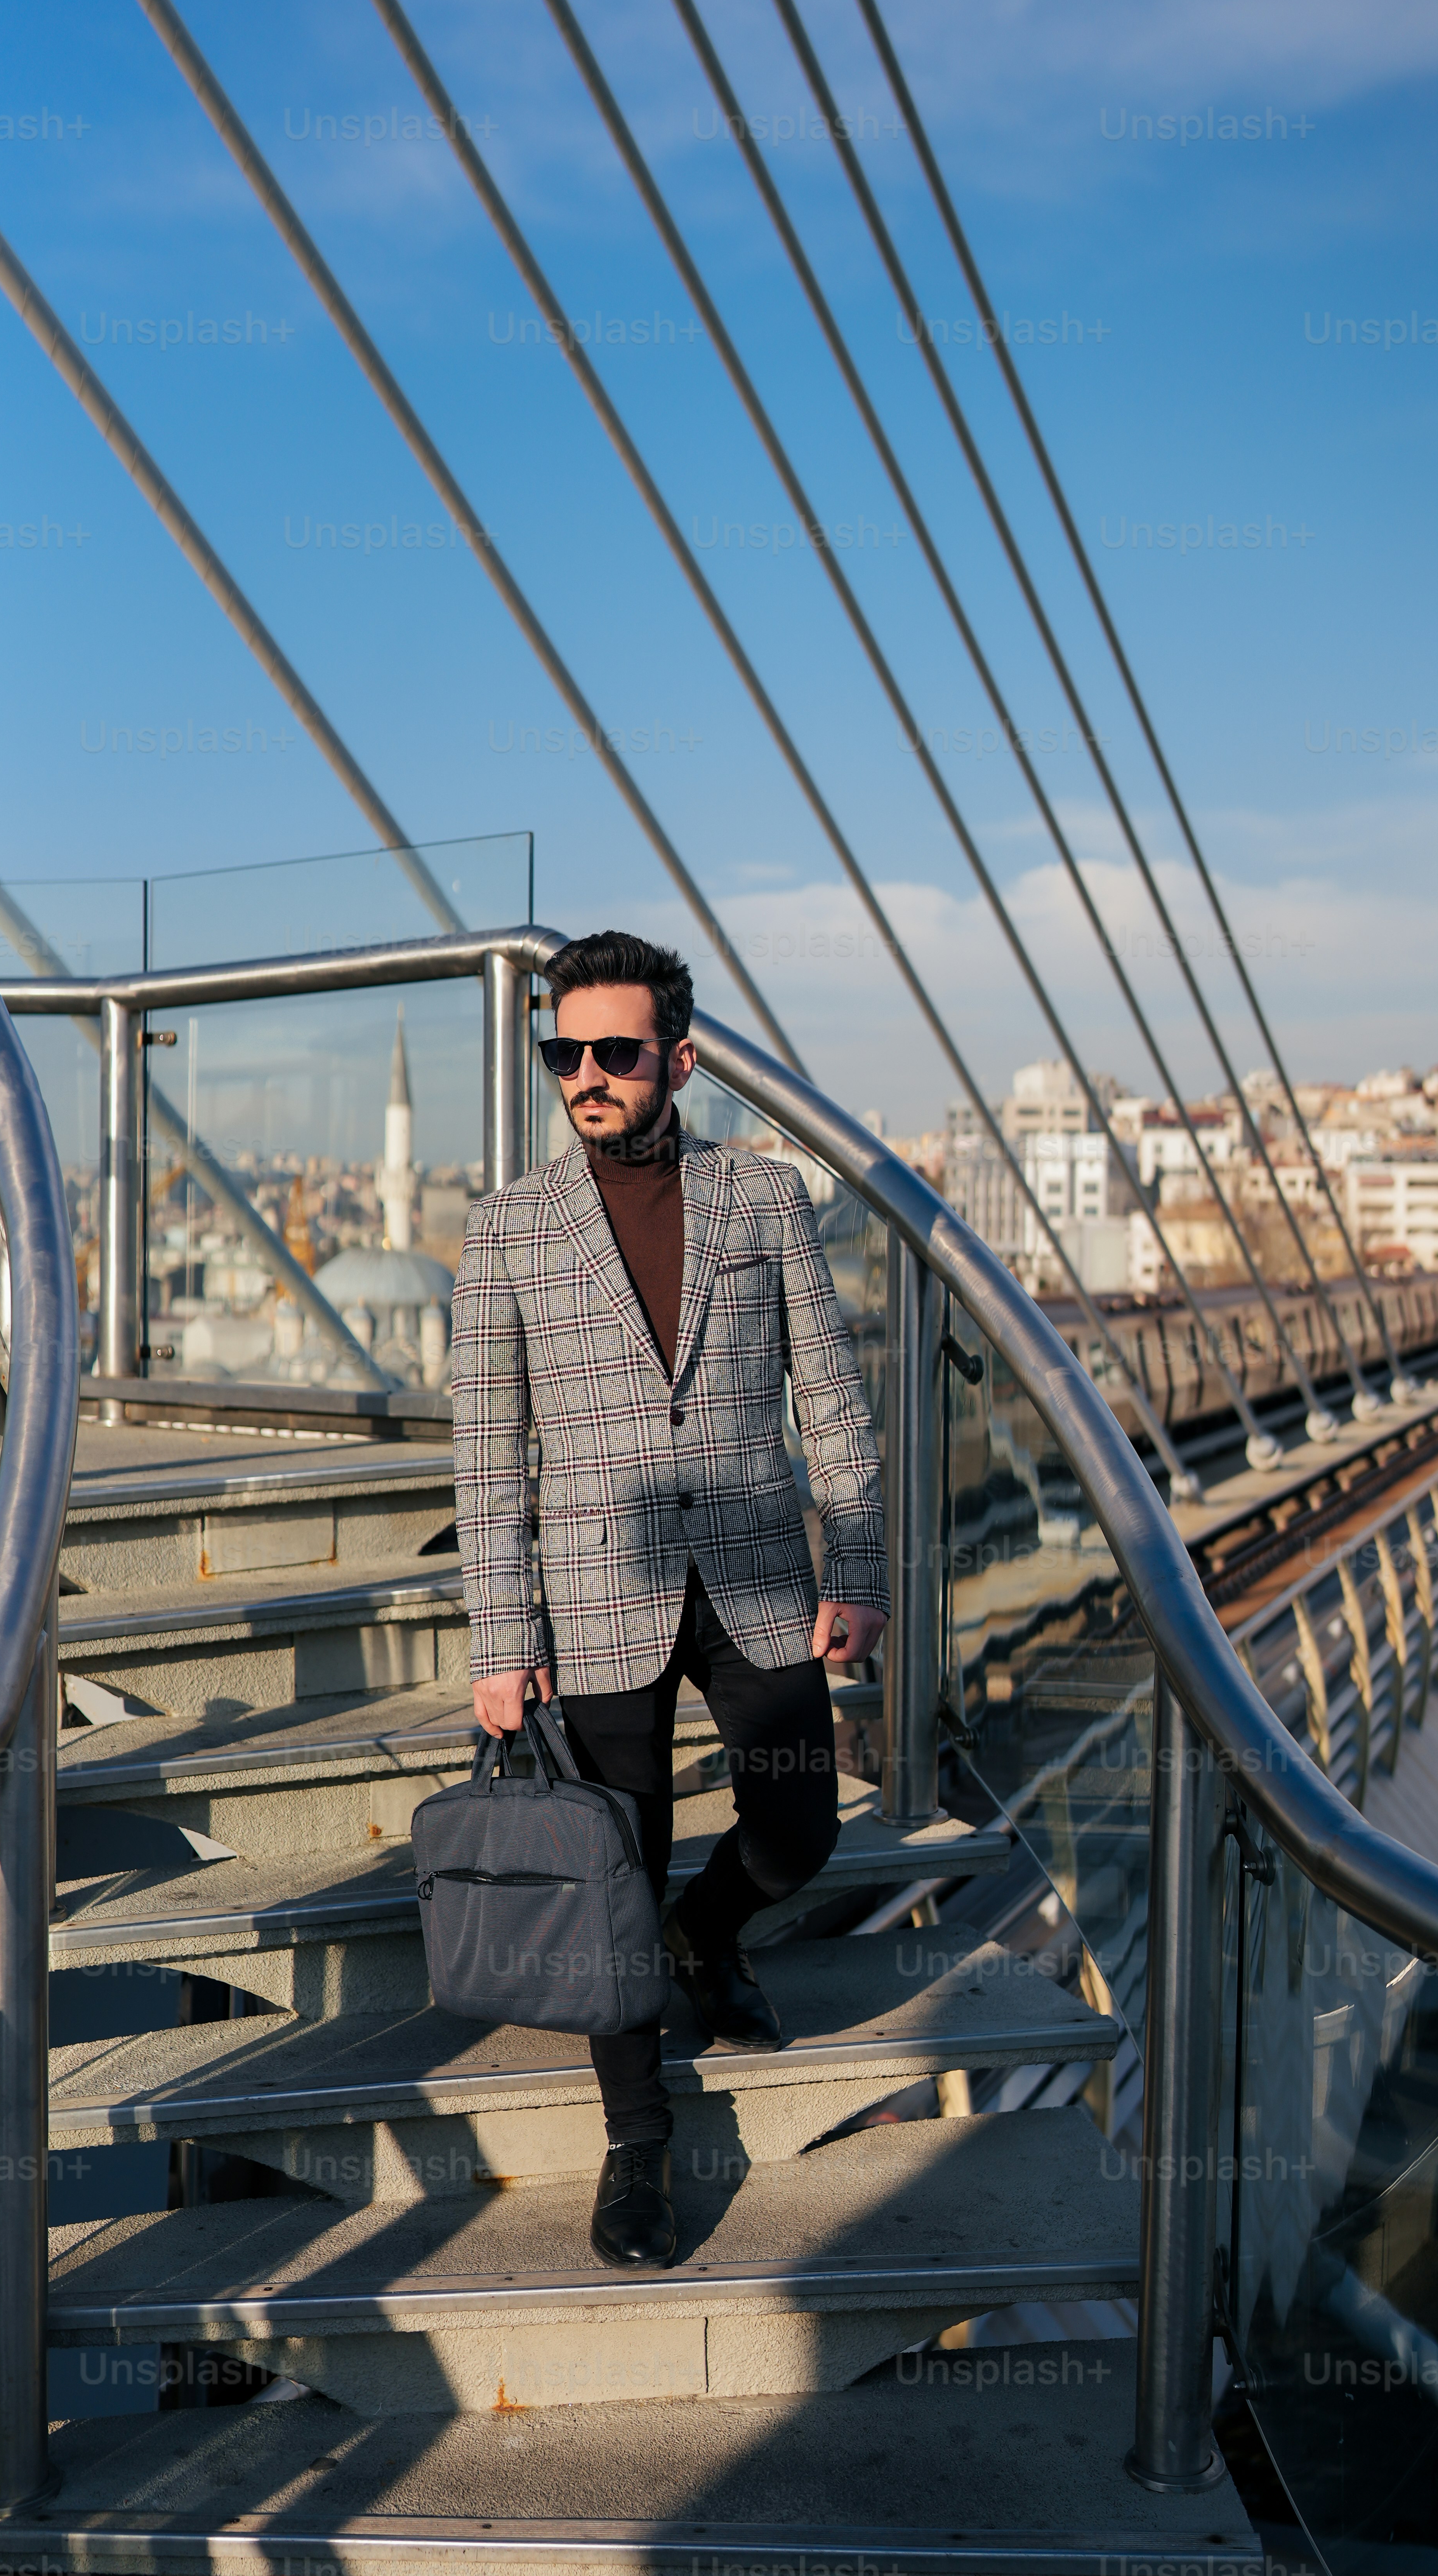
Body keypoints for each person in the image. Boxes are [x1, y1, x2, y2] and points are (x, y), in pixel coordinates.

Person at [450, 930, 888, 2271]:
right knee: (607, 1878)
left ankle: (708, 1938)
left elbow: (831, 1393)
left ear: (677, 1061)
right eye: (562, 1052)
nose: (584, 1074)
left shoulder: (763, 1201)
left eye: (614, 1051)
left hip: (757, 1577)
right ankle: (636, 2146)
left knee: (800, 1827)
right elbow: (487, 1447)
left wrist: (860, 1567)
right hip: (590, 1596)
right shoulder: (512, 1228)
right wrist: (499, 1639)